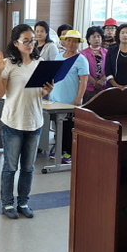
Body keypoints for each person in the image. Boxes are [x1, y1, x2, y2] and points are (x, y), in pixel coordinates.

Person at [0, 24, 53, 220]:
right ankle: (7, 203)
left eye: (32, 41)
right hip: (13, 121)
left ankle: (23, 202)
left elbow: (40, 92)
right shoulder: (8, 64)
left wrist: (47, 90)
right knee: (10, 167)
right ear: (16, 43)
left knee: (28, 167)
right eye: (25, 41)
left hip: (34, 121)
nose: (30, 44)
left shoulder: (40, 63)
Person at [49, 30, 89, 164]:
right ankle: (59, 149)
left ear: (78, 43)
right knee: (57, 126)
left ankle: (69, 152)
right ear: (64, 42)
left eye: (75, 41)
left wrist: (79, 98)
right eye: (69, 40)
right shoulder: (58, 56)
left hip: (70, 100)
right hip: (55, 99)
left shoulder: (81, 59)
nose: (71, 44)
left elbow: (84, 80)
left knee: (68, 127)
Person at [81, 26, 108, 102]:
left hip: (104, 87)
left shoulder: (107, 53)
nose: (97, 39)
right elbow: (83, 71)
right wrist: (94, 82)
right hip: (88, 88)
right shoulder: (82, 54)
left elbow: (110, 68)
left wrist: (102, 80)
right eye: (94, 37)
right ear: (88, 39)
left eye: (99, 36)